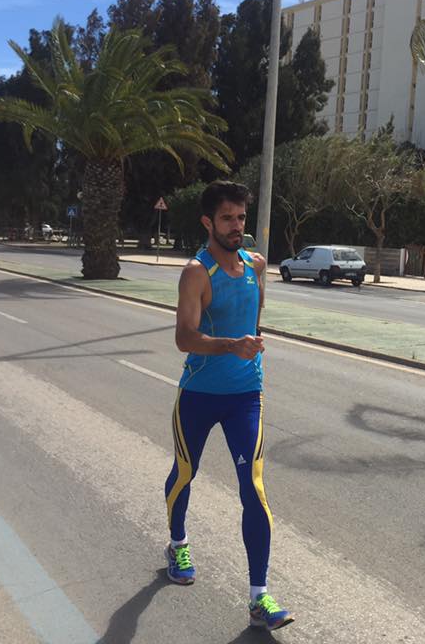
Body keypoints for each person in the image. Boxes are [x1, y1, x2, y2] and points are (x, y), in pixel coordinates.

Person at [163, 180, 294, 631]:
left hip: (245, 397)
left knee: (254, 488)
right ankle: (178, 544)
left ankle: (259, 597)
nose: (236, 226)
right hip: (199, 395)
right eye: (227, 219)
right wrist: (231, 345)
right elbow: (184, 338)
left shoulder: (256, 265)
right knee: (185, 471)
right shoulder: (196, 273)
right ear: (208, 222)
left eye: (240, 217)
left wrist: (249, 345)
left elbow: (253, 320)